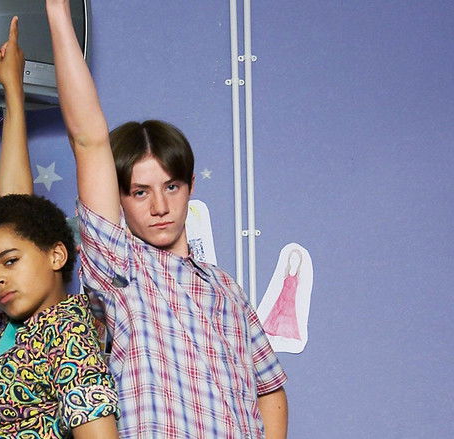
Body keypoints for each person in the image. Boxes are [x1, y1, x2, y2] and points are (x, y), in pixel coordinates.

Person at [45, 1, 289, 438]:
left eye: (171, 187)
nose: (159, 206)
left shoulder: (226, 289)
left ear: (190, 186)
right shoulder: (120, 266)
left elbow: (269, 388)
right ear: (120, 199)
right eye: (140, 192)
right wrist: (58, 13)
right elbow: (88, 140)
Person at [0, 17, 119, 439]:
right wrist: (12, 89)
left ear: (56, 254)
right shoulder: (13, 330)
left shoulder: (66, 331)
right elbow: (15, 211)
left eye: (10, 262)